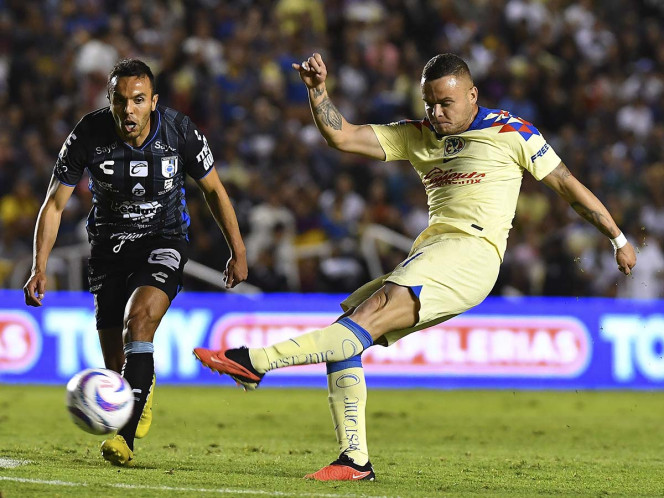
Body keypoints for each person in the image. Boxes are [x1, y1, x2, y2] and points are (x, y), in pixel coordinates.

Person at [193, 53, 636, 481]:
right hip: (432, 252)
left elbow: (566, 185)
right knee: (349, 330)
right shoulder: (417, 134)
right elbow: (343, 137)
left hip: (473, 252)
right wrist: (318, 91)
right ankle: (354, 459)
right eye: (430, 103)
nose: (437, 113)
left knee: (366, 316)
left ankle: (256, 361)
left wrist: (617, 237)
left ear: (473, 95)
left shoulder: (511, 131)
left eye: (446, 103)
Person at [23, 59, 248, 466]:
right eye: (120, 100)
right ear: (110, 100)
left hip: (164, 240)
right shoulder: (88, 133)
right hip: (107, 249)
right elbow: (54, 204)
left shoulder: (180, 131)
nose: (129, 109)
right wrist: (39, 266)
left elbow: (214, 190)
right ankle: (141, 383)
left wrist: (238, 249)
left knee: (139, 320)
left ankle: (123, 440)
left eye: (139, 100)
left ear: (153, 101)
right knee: (117, 366)